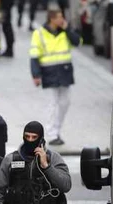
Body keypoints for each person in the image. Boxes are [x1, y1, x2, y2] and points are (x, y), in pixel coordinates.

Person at [30, 8, 82, 146]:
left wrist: (68, 29)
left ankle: (57, 129)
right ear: (51, 19)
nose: (61, 20)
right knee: (52, 104)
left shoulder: (65, 32)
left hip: (64, 72)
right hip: (48, 72)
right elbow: (34, 55)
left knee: (65, 102)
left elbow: (78, 42)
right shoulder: (39, 33)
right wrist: (36, 75)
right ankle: (52, 134)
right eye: (59, 17)